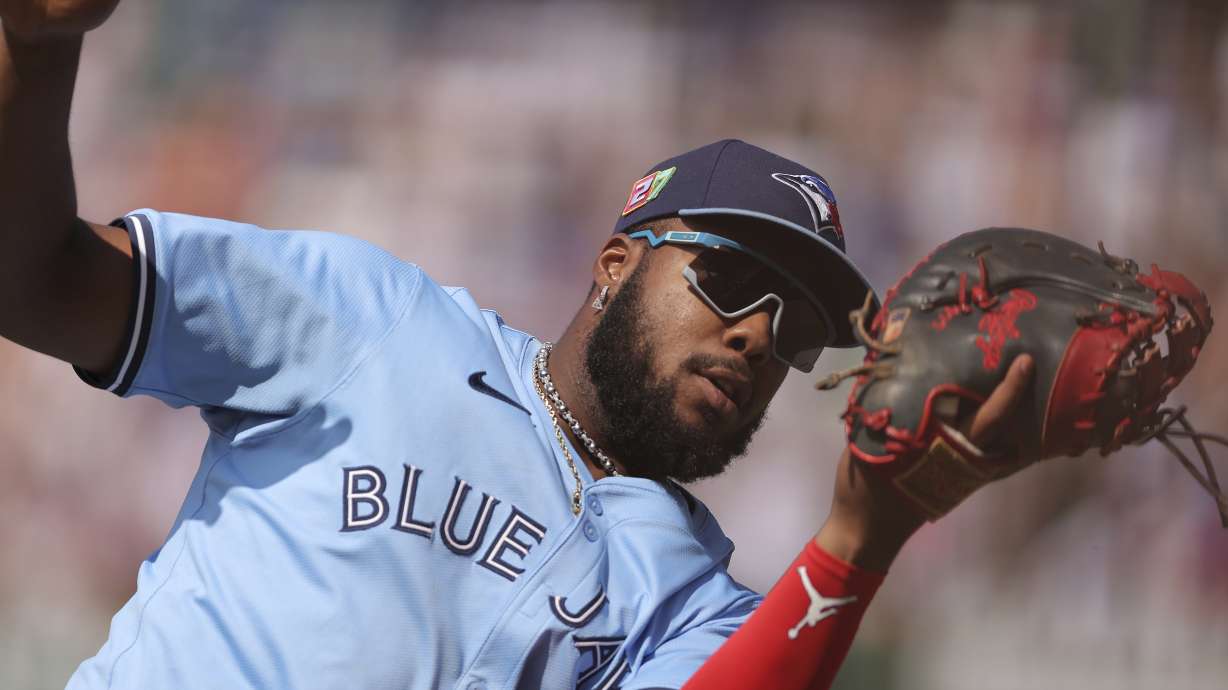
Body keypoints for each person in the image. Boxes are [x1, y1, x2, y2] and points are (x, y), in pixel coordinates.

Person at [0, 2, 1034, 689]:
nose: (758, 334)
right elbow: (34, 280)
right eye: (726, 280)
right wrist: (32, 44)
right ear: (617, 264)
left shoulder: (693, 604)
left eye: (798, 327)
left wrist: (862, 536)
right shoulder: (372, 321)